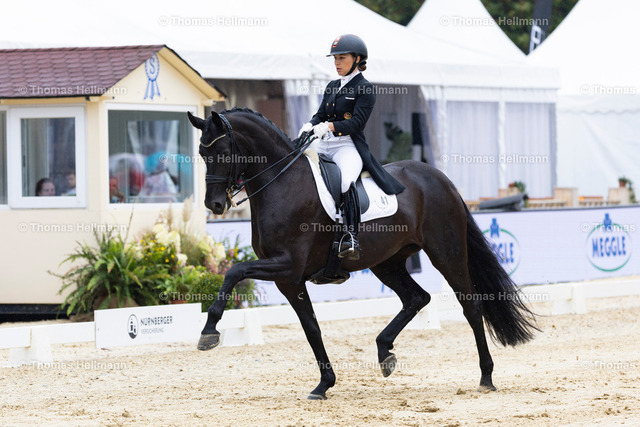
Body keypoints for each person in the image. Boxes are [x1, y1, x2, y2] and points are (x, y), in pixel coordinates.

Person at [298, 34, 405, 260]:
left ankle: (350, 236)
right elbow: (320, 114)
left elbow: (356, 123)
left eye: (342, 58)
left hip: (347, 146)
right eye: (335, 58)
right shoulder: (332, 86)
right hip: (324, 144)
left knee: (346, 182)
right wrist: (310, 125)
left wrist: (329, 126)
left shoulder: (364, 88)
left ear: (357, 59)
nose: (336, 63)